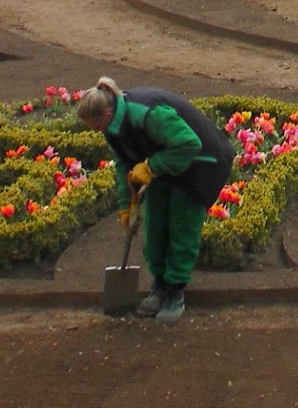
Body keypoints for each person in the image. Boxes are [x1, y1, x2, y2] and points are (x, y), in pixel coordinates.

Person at [77, 77, 234, 324]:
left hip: (200, 165)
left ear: (106, 113)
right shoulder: (111, 127)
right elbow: (123, 165)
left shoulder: (148, 114)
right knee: (156, 225)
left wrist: (151, 167)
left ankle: (175, 291)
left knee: (181, 228)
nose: (96, 131)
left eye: (96, 125)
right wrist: (126, 206)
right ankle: (159, 285)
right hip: (165, 166)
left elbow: (188, 143)